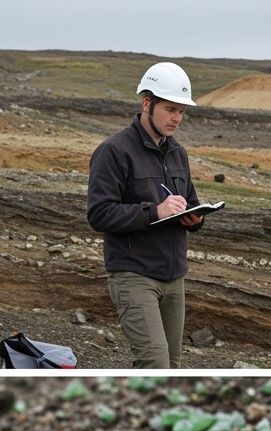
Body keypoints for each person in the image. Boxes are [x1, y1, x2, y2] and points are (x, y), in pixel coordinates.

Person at [87, 62, 205, 368]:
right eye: (170, 109)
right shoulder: (114, 151)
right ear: (146, 104)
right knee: (155, 363)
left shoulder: (177, 153)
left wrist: (196, 219)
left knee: (172, 365)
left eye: (181, 111)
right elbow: (99, 214)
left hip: (174, 276)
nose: (177, 118)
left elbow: (190, 201)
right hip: (134, 275)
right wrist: (154, 212)